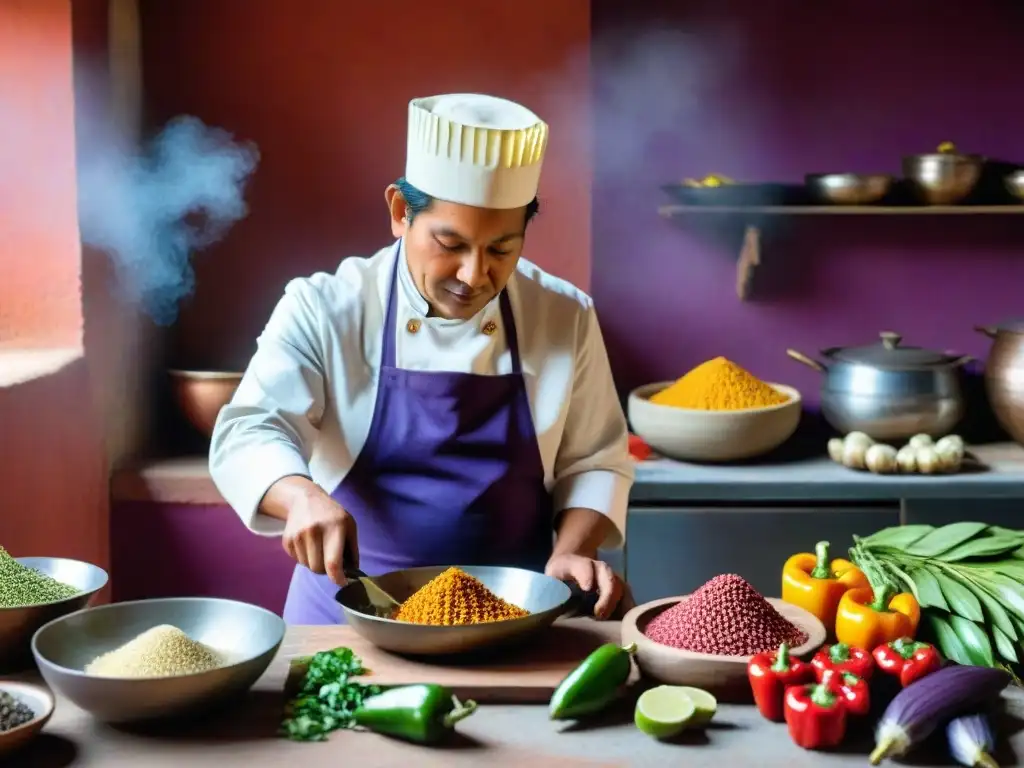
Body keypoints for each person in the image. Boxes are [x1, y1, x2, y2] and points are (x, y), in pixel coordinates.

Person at [209, 93, 634, 625]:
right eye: (450, 243)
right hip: (349, 616)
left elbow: (594, 460)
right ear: (399, 212)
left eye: (502, 249)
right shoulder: (325, 306)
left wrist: (573, 548)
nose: (474, 274)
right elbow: (249, 430)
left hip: (517, 616)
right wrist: (299, 497)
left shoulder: (564, 315)